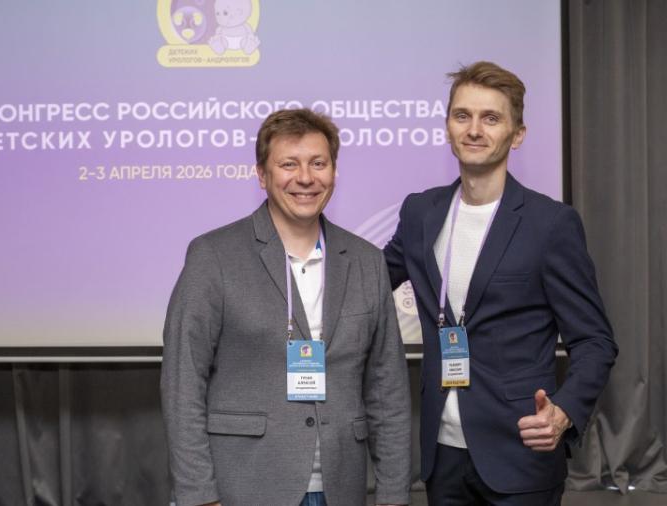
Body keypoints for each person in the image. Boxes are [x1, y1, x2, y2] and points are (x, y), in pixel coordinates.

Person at [383, 61, 618, 505]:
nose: (474, 130)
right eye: (462, 116)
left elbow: (595, 341)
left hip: (520, 454)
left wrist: (565, 411)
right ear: (448, 126)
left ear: (518, 134)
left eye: (490, 118)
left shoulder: (551, 224)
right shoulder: (419, 213)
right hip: (441, 456)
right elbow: (367, 280)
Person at [162, 108, 411, 506]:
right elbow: (183, 382)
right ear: (262, 175)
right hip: (244, 486)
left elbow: (388, 390)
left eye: (318, 163)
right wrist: (198, 495)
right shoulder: (214, 256)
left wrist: (394, 494)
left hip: (341, 488)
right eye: (289, 164)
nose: (306, 178)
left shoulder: (367, 261)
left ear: (334, 171)